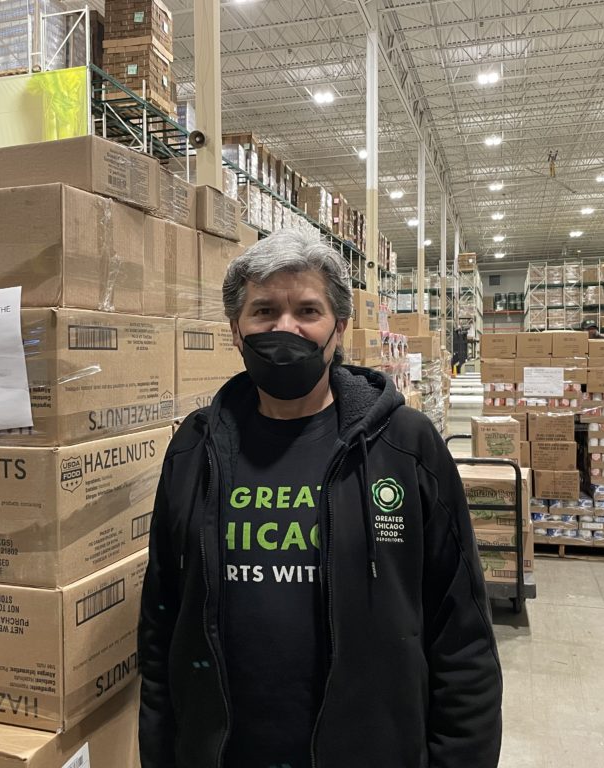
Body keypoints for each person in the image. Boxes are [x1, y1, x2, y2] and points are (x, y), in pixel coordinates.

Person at [138, 229, 502, 768]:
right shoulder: (195, 447)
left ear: (340, 329)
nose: (285, 328)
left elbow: (462, 637)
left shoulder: (405, 446)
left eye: (307, 310)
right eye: (263, 311)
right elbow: (162, 622)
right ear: (236, 331)